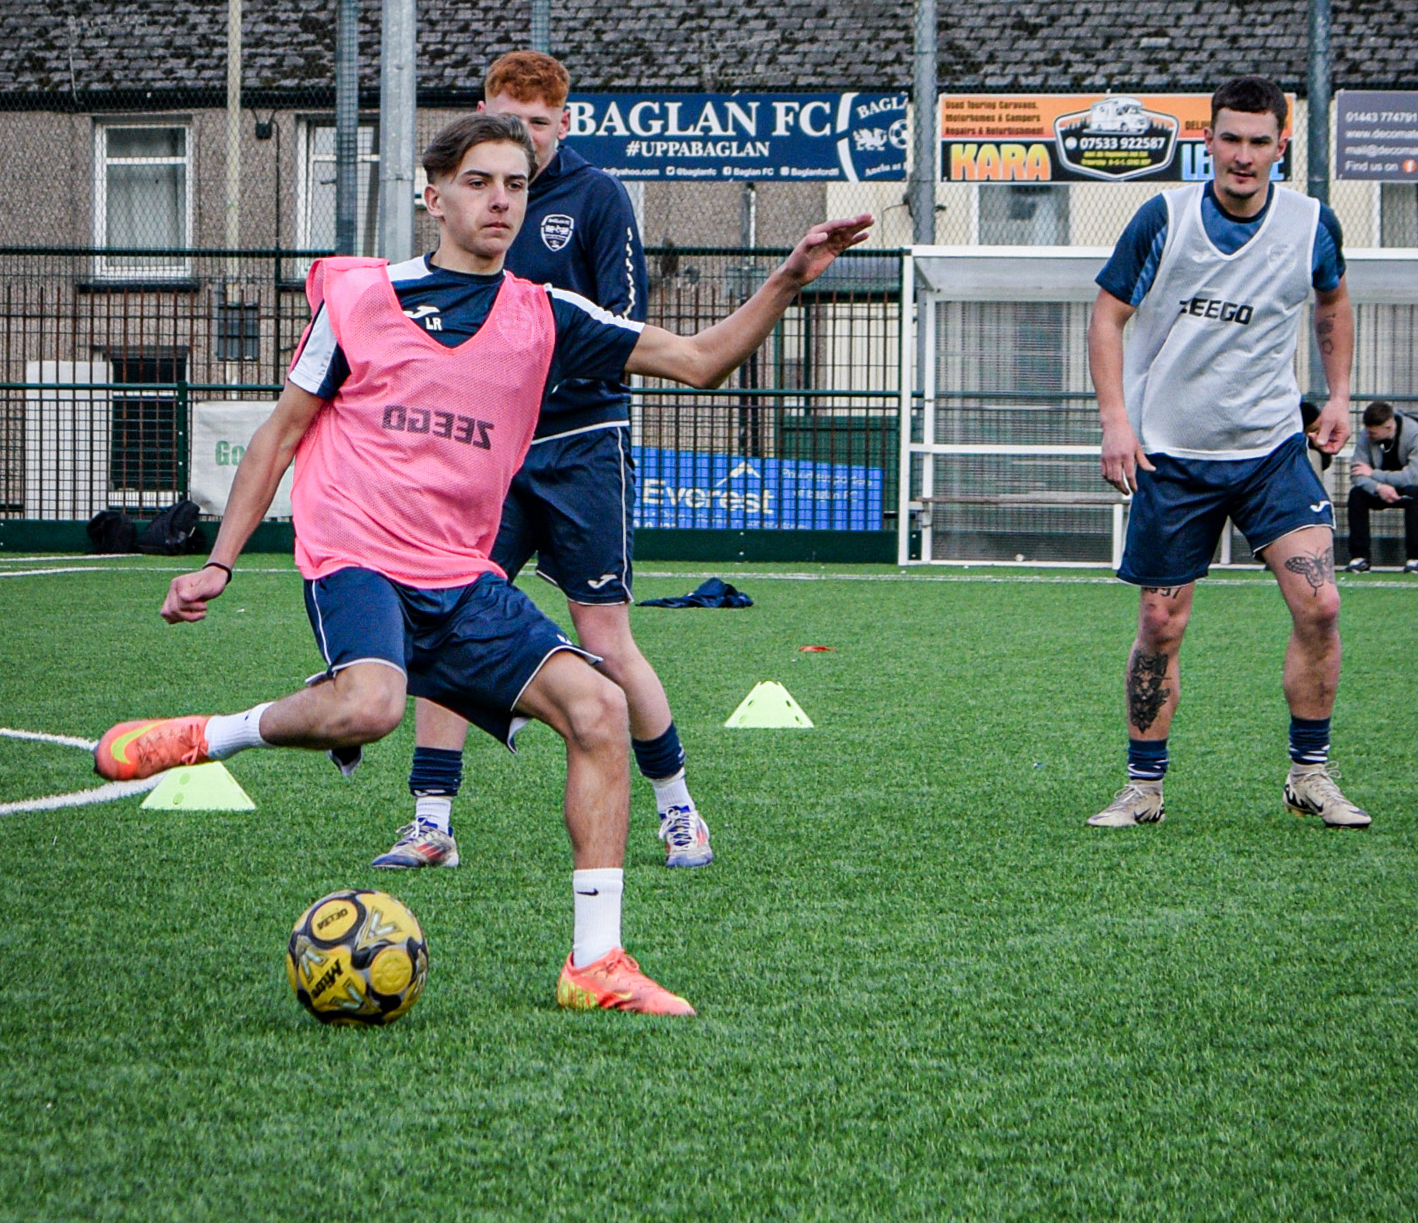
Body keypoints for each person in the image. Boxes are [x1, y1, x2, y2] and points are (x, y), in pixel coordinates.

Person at [92, 113, 870, 1016]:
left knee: (598, 707)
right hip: (356, 554)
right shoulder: (359, 301)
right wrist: (219, 564)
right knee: (375, 706)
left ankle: (596, 964)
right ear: (435, 196)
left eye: (516, 184)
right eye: (479, 182)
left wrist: (786, 278)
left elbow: (699, 362)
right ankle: (208, 735)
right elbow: (279, 437)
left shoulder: (544, 317)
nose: (500, 199)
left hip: (458, 576)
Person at [385, 50, 711, 877]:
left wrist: (529, 368)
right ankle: (430, 822)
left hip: (578, 447)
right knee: (445, 621)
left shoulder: (597, 198)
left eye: (535, 125)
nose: (518, 144)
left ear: (564, 124)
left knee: (604, 636)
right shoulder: (475, 200)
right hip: (485, 451)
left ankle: (679, 811)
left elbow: (622, 323)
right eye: (505, 121)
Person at [1085, 72, 1370, 832]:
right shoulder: (1163, 219)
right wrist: (1117, 420)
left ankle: (1310, 774)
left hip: (1271, 449)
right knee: (1161, 625)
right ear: (1207, 140)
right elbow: (1108, 316)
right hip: (1172, 456)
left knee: (1321, 603)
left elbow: (1333, 300)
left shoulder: (1311, 224)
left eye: (1258, 142)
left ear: (1282, 146)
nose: (1242, 157)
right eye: (1229, 139)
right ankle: (1144, 787)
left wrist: (1339, 397)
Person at [1346, 399, 1418, 575]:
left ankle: (1415, 559)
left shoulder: (1416, 433)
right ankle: (1359, 558)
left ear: (1389, 427)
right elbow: (1357, 473)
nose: (1368, 436)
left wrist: (1374, 475)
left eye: (1373, 433)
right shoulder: (1366, 435)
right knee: (1357, 495)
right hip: (1383, 487)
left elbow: (1413, 476)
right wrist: (1378, 487)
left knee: (1415, 495)